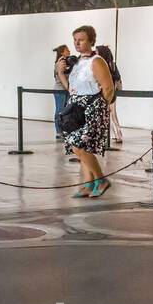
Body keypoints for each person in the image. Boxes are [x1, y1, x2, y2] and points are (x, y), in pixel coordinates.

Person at [56, 24, 115, 198]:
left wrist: (99, 107)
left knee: (79, 145)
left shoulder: (96, 61)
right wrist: (61, 74)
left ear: (91, 41)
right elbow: (72, 89)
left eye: (81, 40)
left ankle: (101, 180)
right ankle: (89, 184)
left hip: (92, 108)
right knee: (80, 147)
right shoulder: (79, 62)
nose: (77, 43)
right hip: (76, 108)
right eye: (75, 40)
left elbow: (108, 88)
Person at [96, 43, 124, 144]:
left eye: (97, 51)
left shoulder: (101, 64)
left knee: (107, 114)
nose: (96, 53)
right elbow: (118, 77)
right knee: (112, 115)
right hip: (112, 91)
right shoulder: (112, 64)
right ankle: (118, 135)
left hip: (104, 91)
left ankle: (115, 135)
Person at [52, 44, 69, 142]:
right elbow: (63, 75)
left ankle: (64, 130)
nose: (69, 51)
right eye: (67, 50)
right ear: (62, 52)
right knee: (59, 111)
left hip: (65, 89)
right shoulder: (60, 62)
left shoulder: (66, 62)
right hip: (59, 90)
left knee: (66, 111)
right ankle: (59, 132)